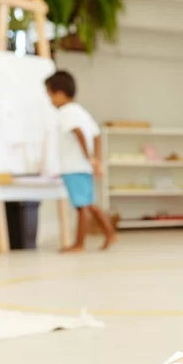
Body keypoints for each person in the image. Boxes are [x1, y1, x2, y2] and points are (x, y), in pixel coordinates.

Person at [44, 70, 117, 252]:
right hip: (82, 167)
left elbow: (78, 132)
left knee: (82, 206)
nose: (51, 101)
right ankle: (109, 233)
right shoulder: (81, 111)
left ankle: (80, 243)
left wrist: (90, 158)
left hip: (74, 167)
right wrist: (95, 160)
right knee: (88, 204)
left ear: (59, 93)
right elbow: (96, 135)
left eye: (50, 95)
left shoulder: (66, 112)